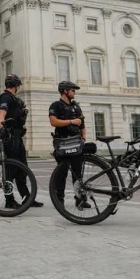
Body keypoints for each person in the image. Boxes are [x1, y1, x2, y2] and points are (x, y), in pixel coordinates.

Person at [0, 74, 42, 208]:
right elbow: (1, 115)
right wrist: (5, 130)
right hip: (10, 138)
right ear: (15, 86)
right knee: (11, 169)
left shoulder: (13, 99)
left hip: (17, 137)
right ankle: (9, 200)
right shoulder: (5, 97)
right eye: (18, 86)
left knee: (23, 168)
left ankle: (27, 197)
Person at [48, 81, 90, 210]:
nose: (74, 92)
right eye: (72, 90)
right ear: (65, 91)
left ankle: (80, 200)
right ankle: (59, 199)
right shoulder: (56, 105)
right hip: (63, 143)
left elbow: (82, 124)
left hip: (76, 143)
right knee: (61, 173)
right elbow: (53, 121)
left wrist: (83, 137)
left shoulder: (76, 106)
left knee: (78, 174)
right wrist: (71, 121)